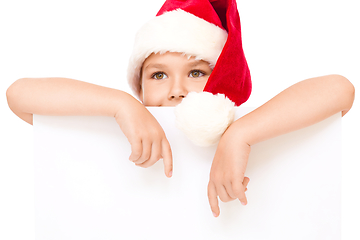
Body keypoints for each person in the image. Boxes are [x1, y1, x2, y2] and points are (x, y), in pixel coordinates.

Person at [6, 0, 354, 218]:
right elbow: (19, 95)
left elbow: (340, 90)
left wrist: (241, 134)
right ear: (140, 86)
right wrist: (120, 103)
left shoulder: (248, 125)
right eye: (159, 75)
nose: (177, 90)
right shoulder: (120, 123)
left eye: (196, 72)